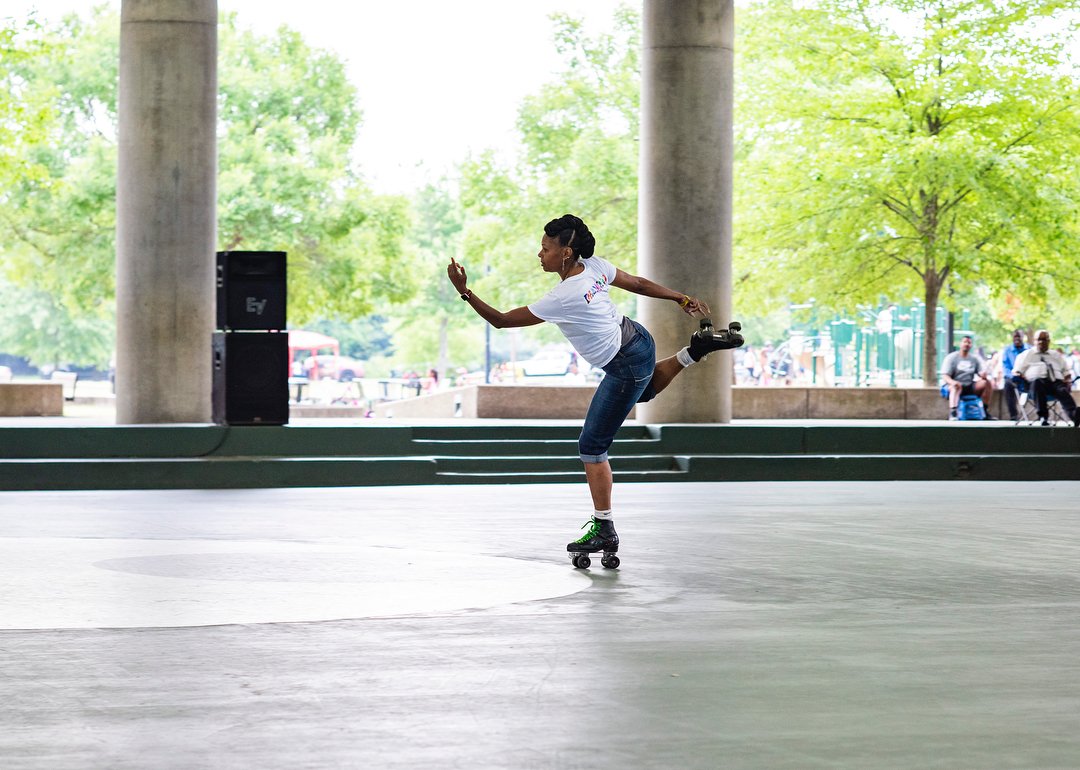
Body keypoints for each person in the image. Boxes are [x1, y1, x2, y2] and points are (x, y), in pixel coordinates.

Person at [446, 214, 743, 560]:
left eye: (545, 249)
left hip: (625, 362)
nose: (539, 254)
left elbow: (500, 321)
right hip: (639, 340)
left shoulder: (561, 296)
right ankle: (695, 349)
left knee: (592, 445)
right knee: (641, 392)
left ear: (567, 252)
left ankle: (604, 528)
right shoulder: (595, 267)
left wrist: (464, 291)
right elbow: (637, 283)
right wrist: (680, 297)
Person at [1012, 329, 1080, 427]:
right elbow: (1016, 371)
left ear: (1049, 341)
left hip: (1055, 382)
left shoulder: (1056, 355)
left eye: (1044, 339)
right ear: (1034, 341)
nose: (1041, 342)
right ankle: (1043, 417)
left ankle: (1074, 415)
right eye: (1038, 339)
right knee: (1037, 383)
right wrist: (1022, 376)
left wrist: (1067, 380)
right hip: (1034, 384)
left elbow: (1066, 372)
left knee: (1062, 389)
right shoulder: (1026, 355)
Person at [940, 335, 992, 420]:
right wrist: (953, 382)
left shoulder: (974, 358)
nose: (966, 344)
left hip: (969, 385)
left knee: (987, 383)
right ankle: (953, 412)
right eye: (965, 342)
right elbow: (945, 375)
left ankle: (985, 411)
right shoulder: (951, 357)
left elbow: (980, 372)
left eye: (969, 342)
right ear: (960, 343)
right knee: (955, 386)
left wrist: (983, 375)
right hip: (953, 385)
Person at [999, 330, 1030, 421]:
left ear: (1023, 337)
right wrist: (1013, 375)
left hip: (1027, 378)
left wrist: (1025, 375)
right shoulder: (1007, 350)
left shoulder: (1030, 349)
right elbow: (1006, 367)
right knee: (1008, 384)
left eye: (1019, 336)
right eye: (1015, 337)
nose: (1017, 339)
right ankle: (1013, 415)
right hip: (1013, 378)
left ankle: (1040, 414)